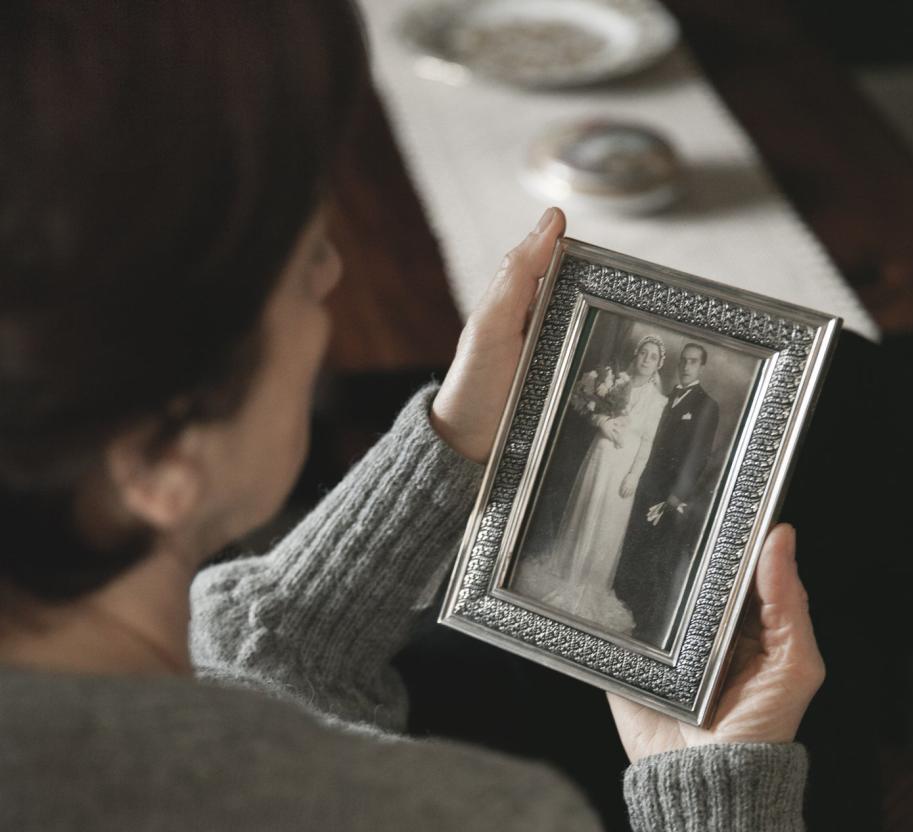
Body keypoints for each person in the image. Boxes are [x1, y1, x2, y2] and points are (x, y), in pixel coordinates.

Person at [0, 3, 824, 830]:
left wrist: (456, 439)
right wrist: (721, 804)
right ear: (157, 458)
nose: (330, 275)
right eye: (299, 269)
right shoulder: (474, 814)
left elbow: (243, 673)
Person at [514, 335, 667, 633]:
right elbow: (591, 405)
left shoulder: (658, 401)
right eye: (643, 353)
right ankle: (567, 572)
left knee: (607, 523)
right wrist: (601, 423)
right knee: (585, 511)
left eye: (653, 356)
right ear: (635, 355)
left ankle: (589, 583)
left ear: (659, 364)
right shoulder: (618, 382)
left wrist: (634, 474)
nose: (646, 360)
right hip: (598, 454)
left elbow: (647, 443)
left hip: (622, 466)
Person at [615, 343, 720, 646]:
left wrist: (674, 498)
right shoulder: (666, 398)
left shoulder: (706, 404)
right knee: (633, 547)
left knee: (657, 559)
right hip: (645, 485)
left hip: (667, 497)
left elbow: (698, 455)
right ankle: (626, 613)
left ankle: (647, 630)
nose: (687, 366)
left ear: (701, 367)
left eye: (693, 362)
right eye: (683, 361)